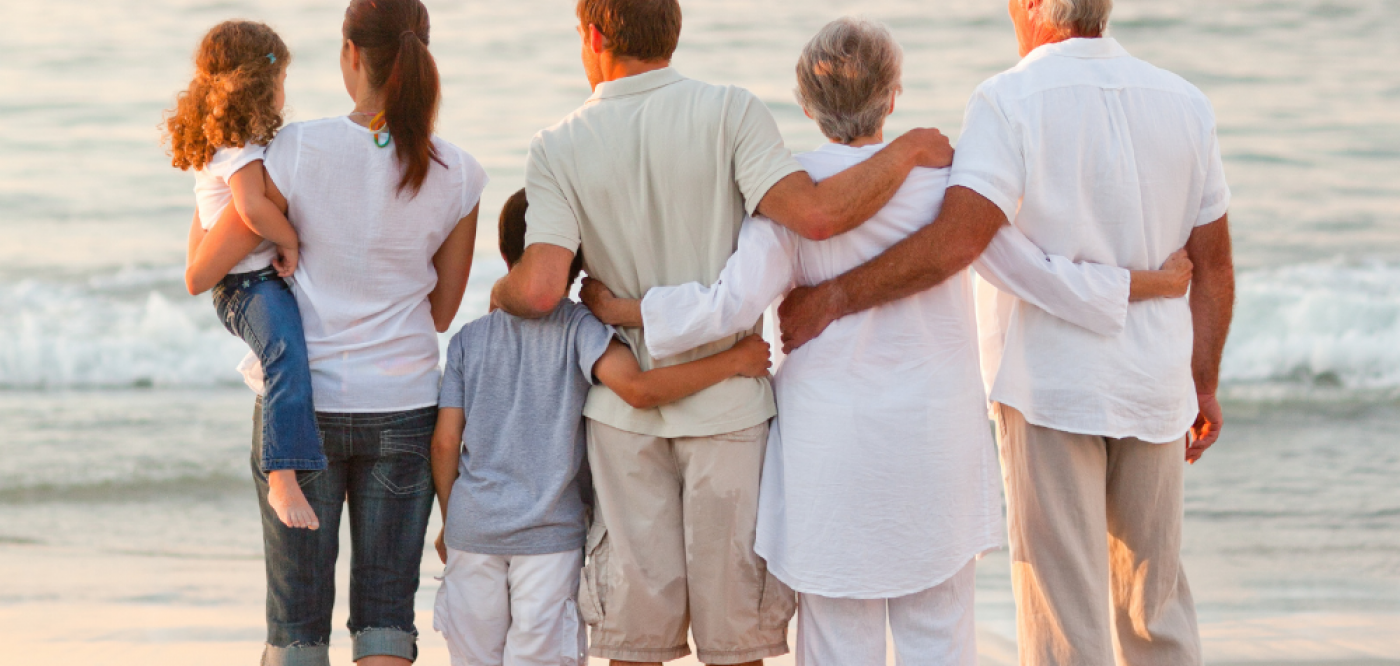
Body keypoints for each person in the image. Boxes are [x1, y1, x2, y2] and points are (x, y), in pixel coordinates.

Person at [580, 18, 1193, 665]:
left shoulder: (790, 196)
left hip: (833, 452)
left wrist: (625, 308)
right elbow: (1030, 272)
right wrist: (1144, 284)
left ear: (805, 101)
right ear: (893, 96)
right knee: (940, 638)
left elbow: (726, 305)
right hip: (934, 447)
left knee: (841, 644)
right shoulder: (945, 187)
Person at [489, 1, 958, 664]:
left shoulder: (558, 143)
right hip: (729, 412)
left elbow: (539, 288)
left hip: (624, 419)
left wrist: (498, 291)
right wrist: (910, 148)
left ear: (594, 37)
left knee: (633, 640)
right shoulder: (733, 111)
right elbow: (816, 217)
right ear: (673, 32)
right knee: (737, 642)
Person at [776, 1, 1237, 663]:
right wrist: (1205, 382)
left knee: (1062, 610)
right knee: (1154, 604)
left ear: (1030, 6)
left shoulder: (1007, 99)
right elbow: (1215, 262)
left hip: (1052, 384)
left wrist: (836, 296)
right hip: (1157, 386)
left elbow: (961, 241)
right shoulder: (1185, 101)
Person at [194, 1, 487, 663]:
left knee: (297, 626)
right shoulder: (461, 173)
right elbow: (441, 312)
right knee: (387, 616)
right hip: (405, 405)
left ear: (351, 54)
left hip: (304, 411)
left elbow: (215, 257)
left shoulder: (293, 148)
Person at [429, 189, 774, 666]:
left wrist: (451, 520)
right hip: (549, 537)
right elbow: (639, 390)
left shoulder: (469, 339)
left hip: (472, 531)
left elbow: (447, 441)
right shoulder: (580, 328)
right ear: (578, 258)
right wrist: (734, 360)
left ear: (505, 251)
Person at [166, 21, 323, 530]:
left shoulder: (230, 143)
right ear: (260, 85)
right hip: (245, 285)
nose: (285, 95)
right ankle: (282, 473)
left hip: (246, 281)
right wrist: (291, 239)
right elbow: (252, 210)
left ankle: (286, 467)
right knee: (285, 355)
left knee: (288, 354)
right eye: (281, 84)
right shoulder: (241, 149)